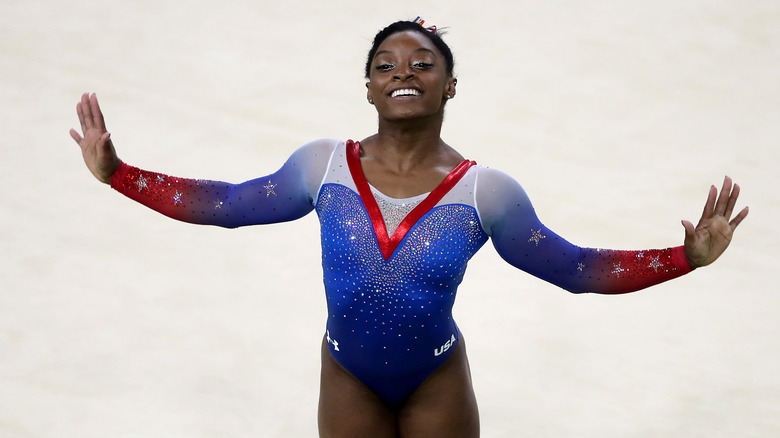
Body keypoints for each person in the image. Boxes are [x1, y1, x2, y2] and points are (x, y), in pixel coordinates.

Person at [69, 18, 748, 438]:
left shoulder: (486, 192)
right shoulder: (323, 168)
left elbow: (574, 269)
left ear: (451, 86)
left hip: (435, 384)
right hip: (348, 377)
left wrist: (684, 258)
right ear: (367, 88)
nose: (403, 74)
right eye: (385, 66)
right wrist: (119, 174)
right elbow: (225, 203)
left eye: (423, 64)